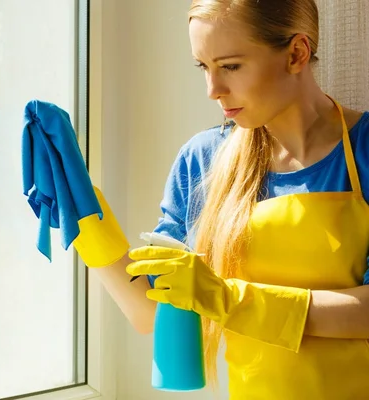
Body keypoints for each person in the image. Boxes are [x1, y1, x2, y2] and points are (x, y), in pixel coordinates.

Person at [71, 0, 369, 398]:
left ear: (296, 53)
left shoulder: (364, 150)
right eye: (203, 66)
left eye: (230, 66)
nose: (213, 90)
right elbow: (153, 312)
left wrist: (228, 300)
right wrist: (88, 224)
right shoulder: (204, 160)